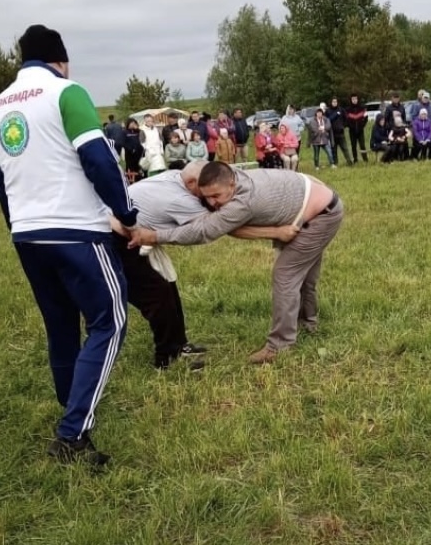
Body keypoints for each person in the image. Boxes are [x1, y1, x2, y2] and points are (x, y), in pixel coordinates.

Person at [0, 23, 138, 467]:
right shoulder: (66, 92)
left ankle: (73, 408)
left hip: (27, 234)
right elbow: (98, 157)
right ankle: (72, 434)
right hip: (75, 229)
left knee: (60, 326)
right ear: (60, 59)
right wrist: (125, 212)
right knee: (110, 321)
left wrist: (19, 226)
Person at [120, 161, 343, 365]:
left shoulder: (243, 202)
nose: (212, 203)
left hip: (320, 217)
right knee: (304, 274)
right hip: (322, 206)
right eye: (207, 197)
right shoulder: (235, 176)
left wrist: (154, 236)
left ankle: (279, 346)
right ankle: (308, 324)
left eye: (216, 196)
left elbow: (206, 230)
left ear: (231, 183)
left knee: (285, 276)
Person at [112, 162, 207, 370]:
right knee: (156, 295)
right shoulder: (182, 200)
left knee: (168, 287)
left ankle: (179, 345)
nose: (209, 195)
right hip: (116, 238)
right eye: (207, 189)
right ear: (192, 183)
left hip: (127, 232)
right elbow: (210, 229)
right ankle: (166, 358)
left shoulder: (175, 176)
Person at [345, 94, 368, 163]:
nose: (354, 100)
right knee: (353, 146)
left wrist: (362, 126)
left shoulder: (362, 108)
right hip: (352, 131)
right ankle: (355, 159)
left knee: (362, 145)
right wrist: (350, 126)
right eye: (353, 99)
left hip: (360, 130)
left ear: (357, 99)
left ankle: (365, 159)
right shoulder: (348, 110)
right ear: (351, 100)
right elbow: (346, 120)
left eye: (355, 99)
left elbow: (366, 118)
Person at [326, 98, 348, 166]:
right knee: (334, 149)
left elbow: (346, 118)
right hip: (332, 133)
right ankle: (335, 162)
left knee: (345, 148)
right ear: (331, 102)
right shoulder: (328, 111)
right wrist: (336, 114)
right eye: (333, 101)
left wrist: (343, 126)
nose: (334, 103)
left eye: (336, 101)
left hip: (341, 132)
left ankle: (349, 161)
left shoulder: (341, 110)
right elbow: (327, 120)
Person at [122, 117, 144, 182]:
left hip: (138, 153)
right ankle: (130, 180)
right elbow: (123, 142)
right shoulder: (124, 132)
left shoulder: (138, 131)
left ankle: (139, 179)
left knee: (138, 166)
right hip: (129, 153)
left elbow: (142, 138)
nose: (133, 124)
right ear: (128, 124)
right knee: (130, 167)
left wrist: (137, 129)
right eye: (131, 123)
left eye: (134, 123)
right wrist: (130, 149)